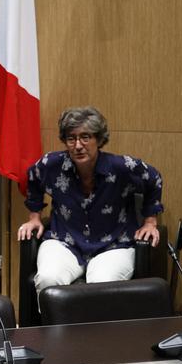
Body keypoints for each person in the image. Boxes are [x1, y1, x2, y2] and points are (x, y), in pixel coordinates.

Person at [17, 106, 163, 293]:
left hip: (114, 245)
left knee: (100, 285)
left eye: (85, 137)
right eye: (71, 138)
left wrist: (150, 221)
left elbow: (154, 178)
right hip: (63, 241)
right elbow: (32, 177)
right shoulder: (51, 164)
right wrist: (34, 217)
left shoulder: (121, 167)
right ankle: (55, 323)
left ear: (99, 139)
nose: (78, 145)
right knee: (48, 278)